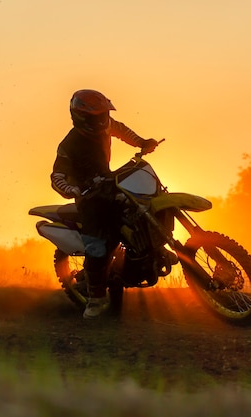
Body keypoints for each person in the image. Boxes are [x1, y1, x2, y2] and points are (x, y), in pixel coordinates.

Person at [50, 89, 159, 319]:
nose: (101, 120)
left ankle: (146, 254)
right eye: (95, 117)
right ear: (80, 117)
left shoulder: (107, 124)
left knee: (140, 209)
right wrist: (73, 190)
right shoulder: (68, 145)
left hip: (110, 183)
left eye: (103, 115)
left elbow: (121, 130)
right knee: (97, 246)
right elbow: (57, 177)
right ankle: (95, 299)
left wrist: (141, 142)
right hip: (89, 197)